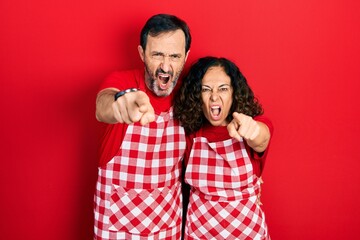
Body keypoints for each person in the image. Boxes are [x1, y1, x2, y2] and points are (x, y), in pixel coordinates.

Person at [93, 14, 191, 239]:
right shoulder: (122, 82)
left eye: (174, 56)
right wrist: (120, 104)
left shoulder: (189, 96)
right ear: (142, 53)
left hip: (167, 226)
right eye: (157, 54)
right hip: (116, 229)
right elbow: (103, 105)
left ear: (185, 57)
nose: (165, 66)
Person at [174, 56, 273, 239]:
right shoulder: (190, 135)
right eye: (206, 89)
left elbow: (262, 138)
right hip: (199, 233)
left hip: (247, 233)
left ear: (234, 93)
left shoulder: (252, 125)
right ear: (197, 95)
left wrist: (252, 130)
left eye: (223, 89)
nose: (214, 96)